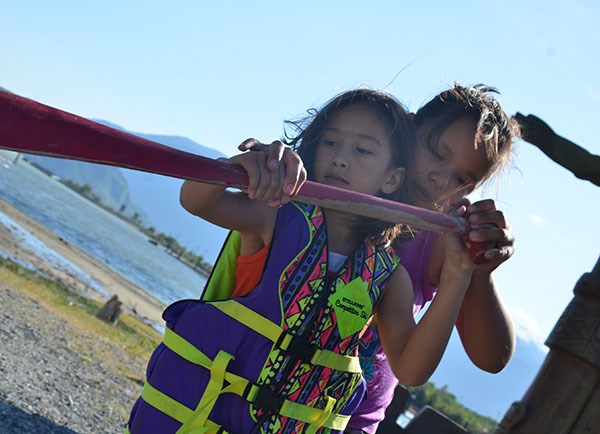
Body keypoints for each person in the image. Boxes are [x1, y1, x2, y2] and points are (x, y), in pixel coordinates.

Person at [126, 88, 482, 434]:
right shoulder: (273, 217)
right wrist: (242, 168)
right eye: (330, 143)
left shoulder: (390, 278)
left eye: (362, 150)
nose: (341, 158)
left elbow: (411, 369)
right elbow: (197, 201)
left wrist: (458, 275)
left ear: (392, 179)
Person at [212, 83, 520, 433]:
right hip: (243, 395)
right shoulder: (322, 189)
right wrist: (268, 165)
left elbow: (492, 358)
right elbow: (204, 199)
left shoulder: (443, 246)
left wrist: (479, 271)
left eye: (463, 179)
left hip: (345, 422)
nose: (441, 178)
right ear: (407, 127)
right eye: (436, 152)